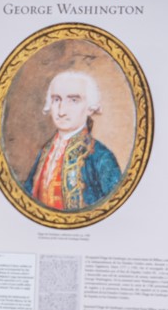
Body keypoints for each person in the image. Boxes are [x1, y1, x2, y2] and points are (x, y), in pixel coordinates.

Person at [21, 70, 121, 211]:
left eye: (73, 100)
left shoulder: (101, 157)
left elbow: (115, 210)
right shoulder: (45, 151)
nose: (61, 111)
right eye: (56, 100)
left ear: (90, 108)